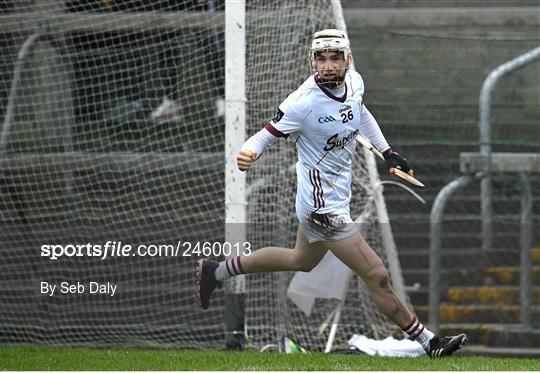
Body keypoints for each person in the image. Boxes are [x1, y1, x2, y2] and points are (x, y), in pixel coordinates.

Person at [195, 29, 467, 357]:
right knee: (377, 274)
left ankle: (217, 271)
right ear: (312, 61)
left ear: (347, 59)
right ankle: (428, 342)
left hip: (336, 197)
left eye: (334, 57)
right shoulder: (302, 103)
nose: (327, 65)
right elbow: (265, 134)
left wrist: (387, 151)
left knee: (300, 260)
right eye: (320, 58)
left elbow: (359, 113)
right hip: (320, 208)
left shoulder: (355, 83)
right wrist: (248, 152)